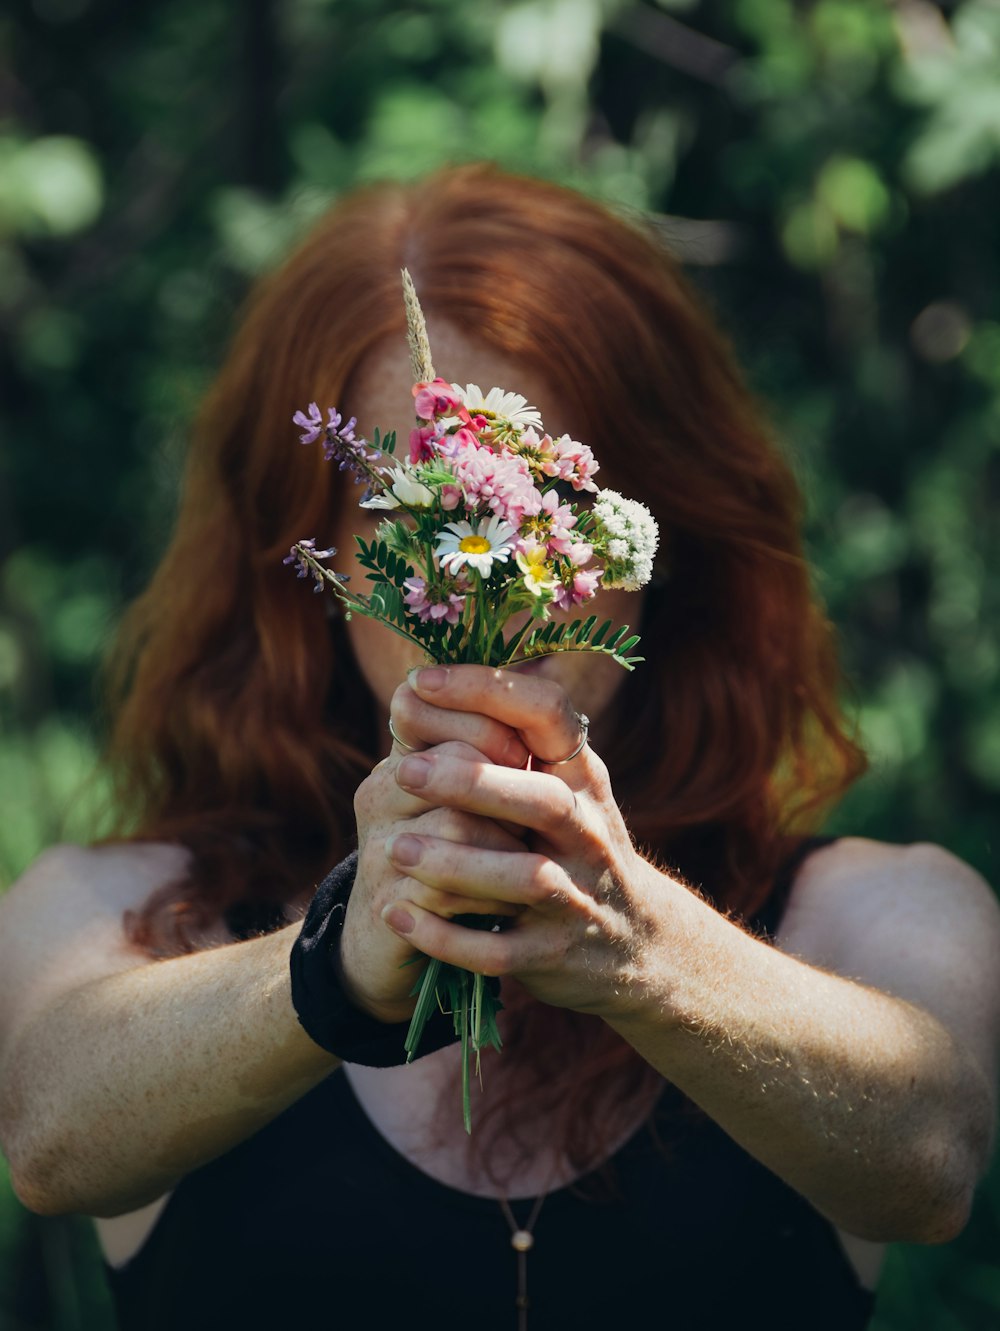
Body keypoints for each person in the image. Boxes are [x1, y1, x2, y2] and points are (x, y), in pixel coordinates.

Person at [0, 163, 997, 1331]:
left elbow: (928, 1156)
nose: (481, 564)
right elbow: (51, 1136)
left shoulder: (868, 914)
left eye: (545, 508)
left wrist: (643, 950)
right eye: (410, 512)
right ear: (310, 558)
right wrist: (332, 960)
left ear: (663, 532)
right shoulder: (122, 912)